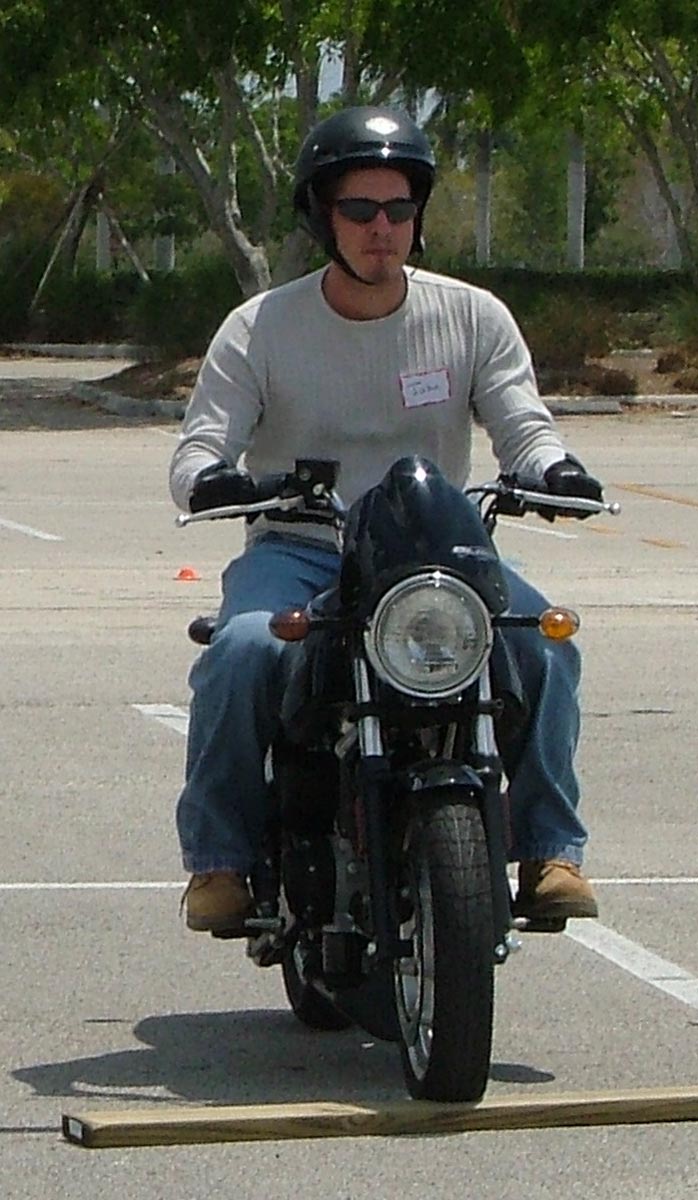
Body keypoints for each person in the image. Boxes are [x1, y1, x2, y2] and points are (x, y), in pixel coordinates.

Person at [170, 106, 605, 936]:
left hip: (439, 554)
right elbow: (200, 446)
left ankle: (551, 852)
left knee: (546, 643)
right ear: (322, 217)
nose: (382, 229)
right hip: (302, 547)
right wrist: (212, 480)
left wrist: (553, 469)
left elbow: (523, 423)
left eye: (399, 209)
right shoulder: (261, 329)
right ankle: (219, 862)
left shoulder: (473, 316)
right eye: (360, 210)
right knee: (242, 651)